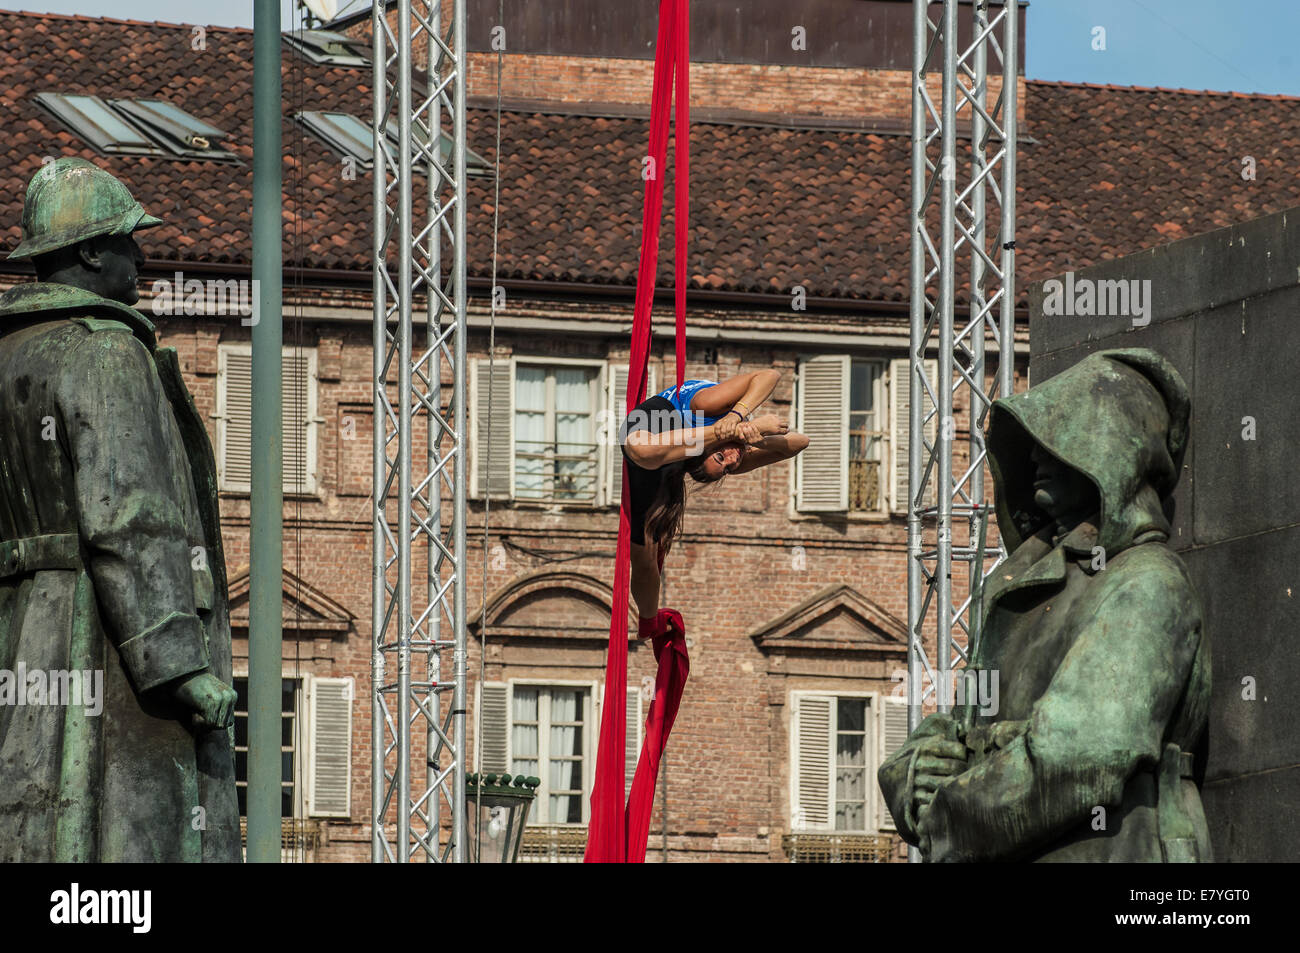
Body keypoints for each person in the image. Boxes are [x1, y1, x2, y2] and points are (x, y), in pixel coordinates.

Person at [877, 348, 1211, 862]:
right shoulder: (1027, 583)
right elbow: (967, 723)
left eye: (1056, 442)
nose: (1035, 458)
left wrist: (944, 816)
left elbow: (1083, 754)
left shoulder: (1147, 582)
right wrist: (915, 770)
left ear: (1110, 454)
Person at [0, 157, 239, 861]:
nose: (142, 254)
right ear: (92, 252)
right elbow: (130, 518)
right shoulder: (108, 352)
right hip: (101, 643)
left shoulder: (9, 355)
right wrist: (178, 663)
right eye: (129, 239)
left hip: (19, 630)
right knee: (117, 841)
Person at [617, 369, 809, 639]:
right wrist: (742, 425)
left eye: (721, 460)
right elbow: (796, 436)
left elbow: (773, 380)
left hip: (657, 430)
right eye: (728, 465)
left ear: (708, 452)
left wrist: (744, 427)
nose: (732, 460)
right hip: (663, 431)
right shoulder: (734, 444)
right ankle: (649, 621)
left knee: (646, 549)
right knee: (645, 549)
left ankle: (648, 623)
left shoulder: (709, 407)